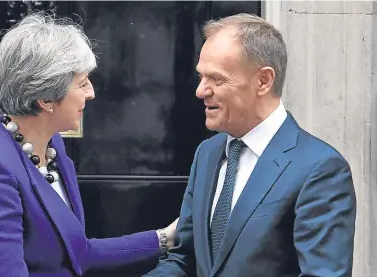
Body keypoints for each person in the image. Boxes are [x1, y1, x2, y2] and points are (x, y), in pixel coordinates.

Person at [0, 13, 178, 277]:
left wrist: (164, 239)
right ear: (46, 98)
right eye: (82, 83)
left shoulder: (51, 145)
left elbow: (78, 253)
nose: (91, 93)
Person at [143, 13, 356, 277]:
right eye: (201, 77)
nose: (200, 91)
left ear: (263, 81)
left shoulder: (320, 169)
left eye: (216, 79)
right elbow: (185, 259)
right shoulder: (207, 154)